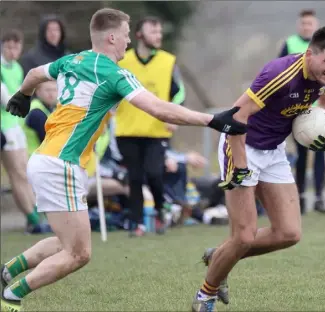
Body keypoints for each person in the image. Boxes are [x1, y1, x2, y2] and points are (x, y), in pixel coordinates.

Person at [0, 8, 247, 312]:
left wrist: (22, 95)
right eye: (127, 35)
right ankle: (12, 296)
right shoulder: (114, 73)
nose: (129, 41)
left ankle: (7, 271)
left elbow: (35, 74)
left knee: (67, 243)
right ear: (112, 37)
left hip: (50, 161)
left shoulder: (72, 59)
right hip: (59, 164)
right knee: (79, 254)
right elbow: (158, 109)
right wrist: (212, 119)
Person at [191, 26, 325, 312]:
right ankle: (205, 295)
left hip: (273, 150)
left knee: (289, 233)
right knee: (244, 235)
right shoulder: (279, 73)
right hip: (241, 143)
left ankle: (220, 258)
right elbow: (235, 116)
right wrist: (240, 165)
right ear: (310, 54)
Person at [115, 16, 186, 236]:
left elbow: (180, 93)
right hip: (127, 130)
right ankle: (137, 223)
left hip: (157, 132)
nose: (158, 36)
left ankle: (160, 209)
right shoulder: (122, 61)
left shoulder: (168, 61)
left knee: (155, 173)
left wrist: (173, 116)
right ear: (138, 35)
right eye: (153, 32)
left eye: (160, 32)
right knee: (135, 178)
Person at [279, 9, 325, 214]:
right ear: (299, 25)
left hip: (319, 111)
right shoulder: (289, 44)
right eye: (304, 24)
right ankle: (300, 197)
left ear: (315, 25)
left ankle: (319, 197)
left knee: (320, 154)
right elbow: (279, 72)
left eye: (310, 24)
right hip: (298, 111)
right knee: (301, 155)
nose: (307, 27)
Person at [1, 29, 51, 234]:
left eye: (16, 47)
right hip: (5, 126)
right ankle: (33, 218)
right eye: (9, 47)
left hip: (17, 126)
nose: (13, 51)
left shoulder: (18, 69)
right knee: (17, 174)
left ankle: (35, 215)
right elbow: (6, 100)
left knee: (24, 172)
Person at [22, 81, 57, 156]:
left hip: (42, 157)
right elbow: (49, 141)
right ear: (38, 92)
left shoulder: (51, 109)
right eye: (48, 90)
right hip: (36, 158)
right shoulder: (36, 112)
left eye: (55, 90)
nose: (51, 94)